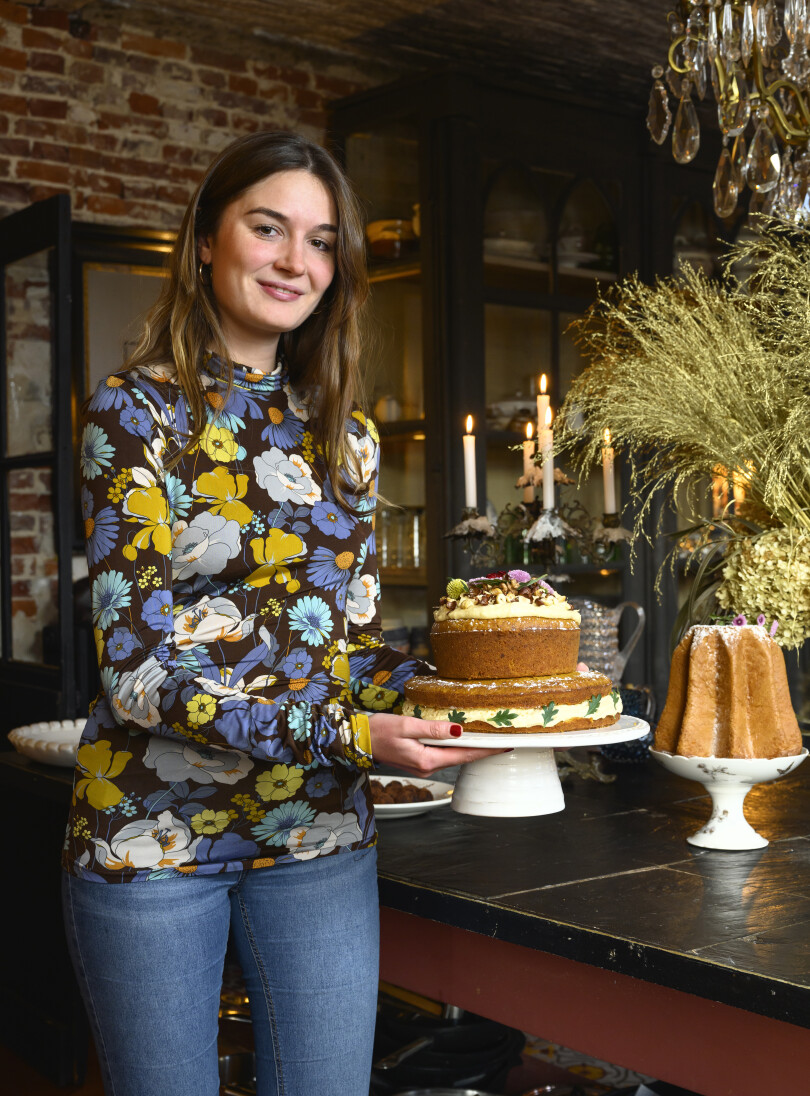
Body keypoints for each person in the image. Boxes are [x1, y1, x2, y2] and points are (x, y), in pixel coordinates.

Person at [63, 130, 506, 1096]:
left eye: (320, 241)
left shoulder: (346, 432)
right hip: (154, 838)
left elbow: (348, 647)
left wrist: (486, 694)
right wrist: (357, 734)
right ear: (208, 241)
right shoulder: (135, 415)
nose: (294, 261)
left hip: (318, 836)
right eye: (269, 228)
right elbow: (138, 677)